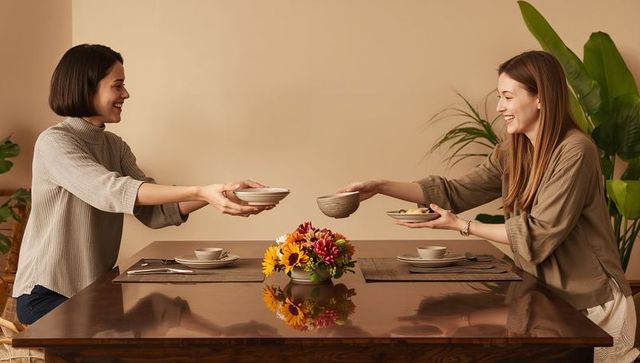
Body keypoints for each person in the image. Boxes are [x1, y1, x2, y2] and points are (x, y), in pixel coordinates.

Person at [339, 50, 638, 362]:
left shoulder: (576, 151)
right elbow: (454, 192)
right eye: (500, 97)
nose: (499, 107)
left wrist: (462, 226)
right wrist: (381, 186)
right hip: (550, 304)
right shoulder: (514, 151)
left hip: (594, 308)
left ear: (541, 98)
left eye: (508, 97)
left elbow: (539, 233)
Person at [13, 44, 276, 325]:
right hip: (47, 294)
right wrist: (201, 190)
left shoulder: (115, 145)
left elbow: (155, 211)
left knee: (161, 312)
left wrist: (223, 192)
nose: (126, 94)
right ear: (87, 88)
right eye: (118, 85)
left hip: (91, 292)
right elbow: (110, 191)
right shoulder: (55, 142)